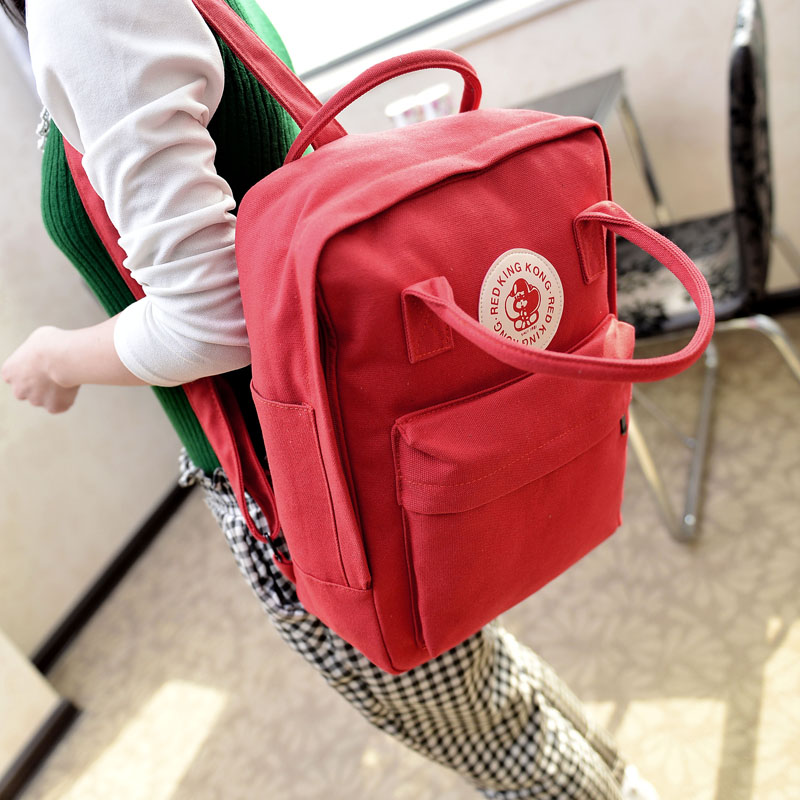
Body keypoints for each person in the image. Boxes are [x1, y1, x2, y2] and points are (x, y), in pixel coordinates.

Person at [1, 2, 660, 798]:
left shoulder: (87, 10)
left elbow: (210, 320)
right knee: (489, 693)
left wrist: (58, 359)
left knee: (493, 730)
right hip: (358, 431)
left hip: (309, 482)